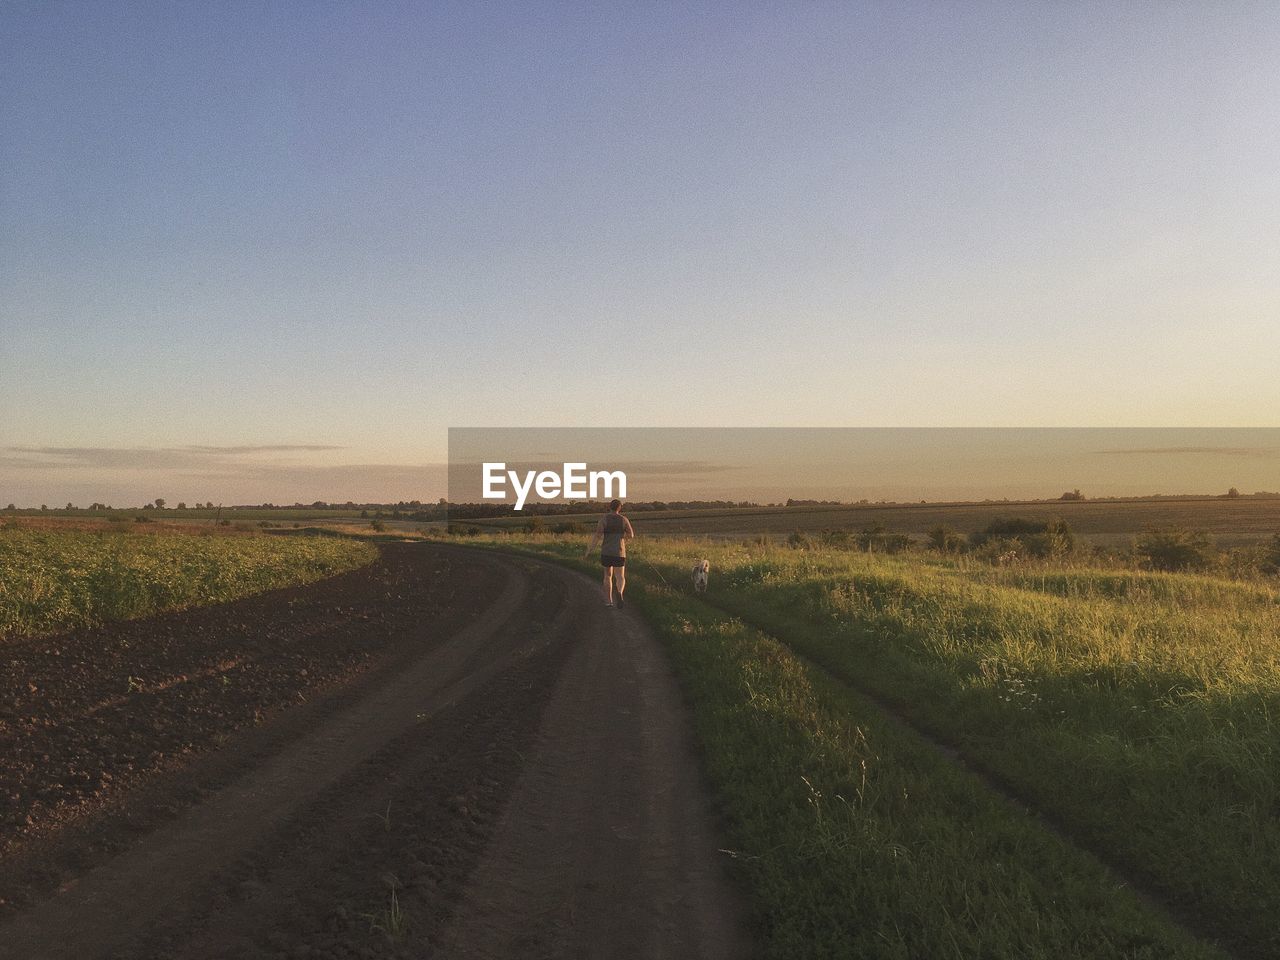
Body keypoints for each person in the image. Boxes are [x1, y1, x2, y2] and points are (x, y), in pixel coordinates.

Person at [583, 498, 634, 607]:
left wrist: (589, 550)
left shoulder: (604, 520)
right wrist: (623, 539)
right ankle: (619, 592)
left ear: (609, 507)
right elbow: (631, 535)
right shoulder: (624, 520)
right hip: (619, 552)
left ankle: (609, 601)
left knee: (607, 576)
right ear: (619, 508)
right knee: (620, 576)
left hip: (606, 552)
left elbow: (597, 536)